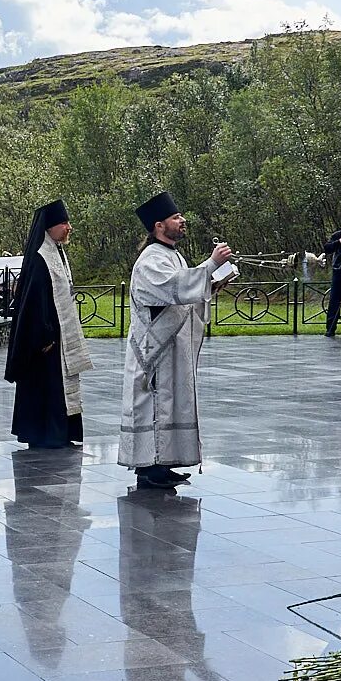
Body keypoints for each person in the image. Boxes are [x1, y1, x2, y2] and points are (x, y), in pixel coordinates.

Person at [118, 191, 233, 488]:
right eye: (175, 217)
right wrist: (208, 267)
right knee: (157, 405)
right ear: (159, 225)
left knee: (170, 405)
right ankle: (149, 467)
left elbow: (185, 294)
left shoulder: (173, 255)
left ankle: (164, 463)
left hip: (171, 346)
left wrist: (212, 283)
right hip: (154, 349)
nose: (182, 221)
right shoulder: (150, 260)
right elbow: (171, 288)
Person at [6, 199, 92, 449]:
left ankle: (62, 432)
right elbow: (34, 303)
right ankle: (46, 434)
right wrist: (45, 337)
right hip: (45, 342)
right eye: (63, 223)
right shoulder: (41, 259)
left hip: (59, 337)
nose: (69, 227)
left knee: (60, 388)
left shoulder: (57, 253)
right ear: (50, 227)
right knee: (46, 388)